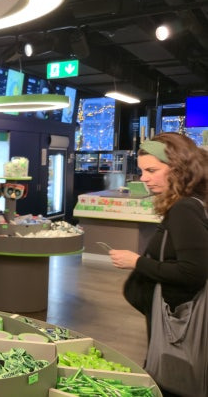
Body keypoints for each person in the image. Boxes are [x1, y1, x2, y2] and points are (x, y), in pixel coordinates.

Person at [108, 132, 208, 395]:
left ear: (179, 170)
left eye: (152, 170)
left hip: (178, 322)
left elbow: (192, 272)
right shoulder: (193, 204)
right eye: (142, 171)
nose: (143, 178)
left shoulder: (185, 209)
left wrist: (137, 262)